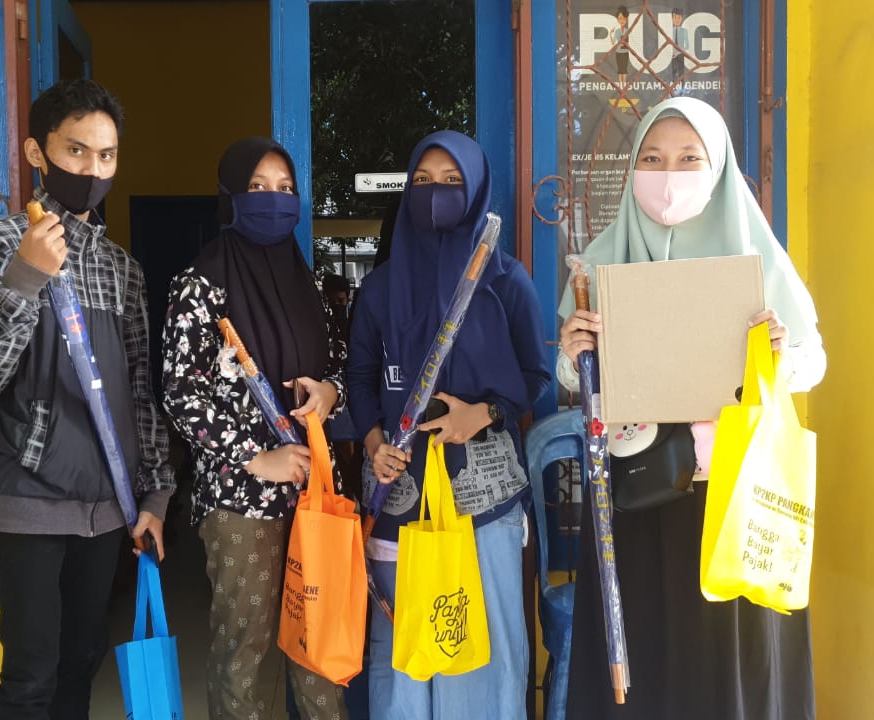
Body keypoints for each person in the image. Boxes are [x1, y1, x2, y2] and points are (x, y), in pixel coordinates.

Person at [557, 97, 826, 720]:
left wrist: (778, 357)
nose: (669, 176)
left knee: (726, 674)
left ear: (719, 168)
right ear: (632, 168)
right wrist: (574, 355)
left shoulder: (759, 259)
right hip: (633, 497)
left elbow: (813, 364)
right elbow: (575, 381)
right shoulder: (598, 265)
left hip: (734, 503)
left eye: (688, 158)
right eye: (652, 159)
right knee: (638, 669)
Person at [0, 78, 174, 720]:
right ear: (36, 152)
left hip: (105, 504)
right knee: (31, 676)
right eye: (76, 151)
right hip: (27, 500)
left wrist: (154, 495)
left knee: (81, 663)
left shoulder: (123, 268)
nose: (93, 170)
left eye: (106, 156)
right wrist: (25, 276)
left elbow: (140, 390)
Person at [348, 130, 551, 720]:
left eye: (451, 180)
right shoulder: (380, 289)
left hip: (484, 498)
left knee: (482, 648)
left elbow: (535, 375)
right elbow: (360, 377)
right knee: (405, 653)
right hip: (399, 494)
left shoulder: (504, 280)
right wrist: (373, 441)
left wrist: (482, 414)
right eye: (423, 181)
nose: (435, 192)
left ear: (477, 188)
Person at [161, 136, 348, 720]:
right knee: (245, 651)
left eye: (285, 189)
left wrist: (330, 391)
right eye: (259, 188)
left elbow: (339, 363)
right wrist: (255, 457)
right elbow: (180, 391)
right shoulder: (200, 284)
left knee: (320, 649)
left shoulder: (309, 283)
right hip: (242, 499)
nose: (274, 199)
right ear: (231, 197)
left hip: (314, 493)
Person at [613, 6, 631, 87]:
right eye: (620, 18)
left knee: (625, 69)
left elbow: (630, 42)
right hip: (618, 52)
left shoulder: (628, 31)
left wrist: (626, 44)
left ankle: (624, 85)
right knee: (620, 69)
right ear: (617, 19)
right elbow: (614, 42)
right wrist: (610, 34)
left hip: (626, 52)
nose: (622, 20)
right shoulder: (617, 31)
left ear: (626, 19)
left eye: (624, 18)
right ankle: (620, 85)